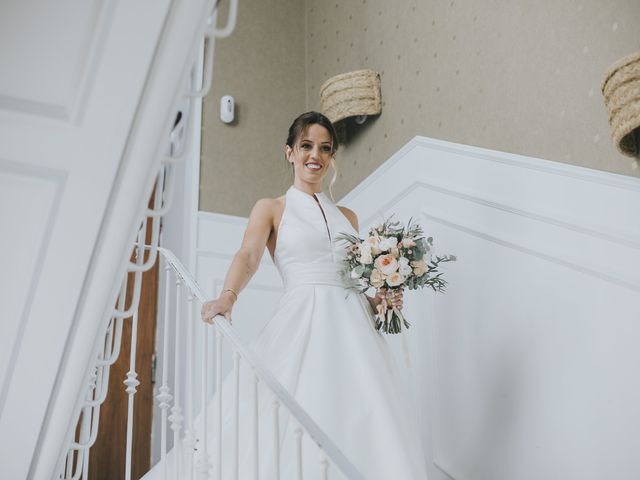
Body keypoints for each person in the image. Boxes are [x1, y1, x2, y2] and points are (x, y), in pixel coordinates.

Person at [144, 111, 429, 479]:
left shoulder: (349, 216)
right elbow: (248, 256)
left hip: (355, 326)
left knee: (365, 412)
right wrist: (228, 296)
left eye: (325, 149)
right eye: (306, 146)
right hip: (303, 317)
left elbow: (353, 280)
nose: (316, 155)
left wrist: (382, 300)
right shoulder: (272, 207)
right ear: (290, 152)